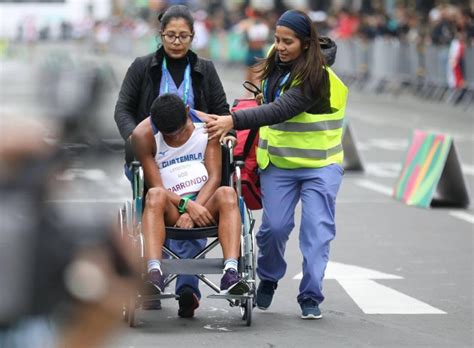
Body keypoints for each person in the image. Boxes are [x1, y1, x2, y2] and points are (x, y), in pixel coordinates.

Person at [205, 10, 347, 320]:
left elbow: (280, 109)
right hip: (279, 164)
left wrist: (234, 119)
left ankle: (311, 295)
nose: (279, 47)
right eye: (277, 40)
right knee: (274, 229)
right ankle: (268, 275)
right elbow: (258, 100)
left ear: (306, 43)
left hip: (321, 166)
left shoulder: (316, 76)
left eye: (288, 42)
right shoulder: (275, 59)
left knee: (316, 233)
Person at [114, 5, 234, 314]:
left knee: (194, 203)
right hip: (152, 153)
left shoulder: (204, 69)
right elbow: (123, 108)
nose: (177, 41)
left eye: (183, 36)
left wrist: (218, 129)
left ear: (193, 36)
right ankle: (157, 278)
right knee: (157, 200)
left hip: (198, 149)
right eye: (170, 35)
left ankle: (186, 287)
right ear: (160, 35)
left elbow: (220, 109)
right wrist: (135, 139)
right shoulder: (143, 67)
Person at [132, 94, 249, 318]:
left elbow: (215, 177)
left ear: (188, 111)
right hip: (170, 205)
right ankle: (154, 272)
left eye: (178, 131)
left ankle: (231, 272)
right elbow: (156, 185)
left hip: (205, 202)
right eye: (169, 135)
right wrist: (186, 205)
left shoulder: (207, 126)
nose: (175, 137)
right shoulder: (143, 134)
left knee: (227, 193)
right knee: (154, 195)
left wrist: (195, 207)